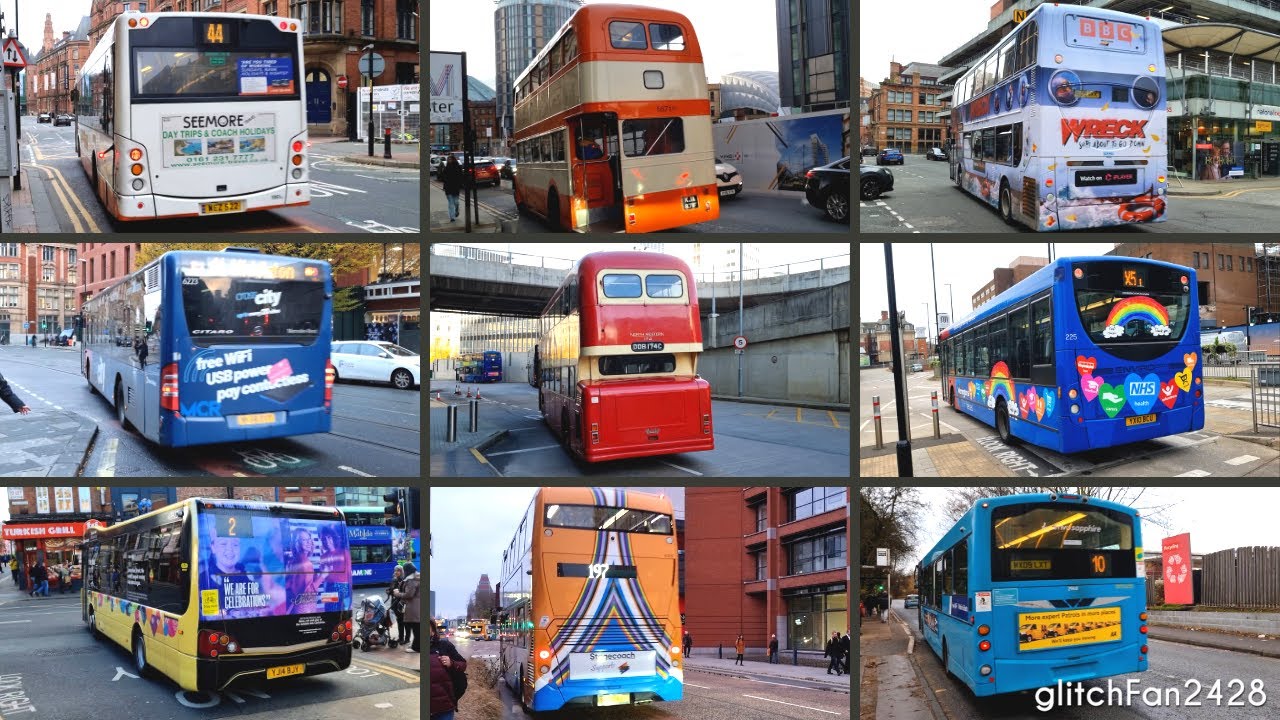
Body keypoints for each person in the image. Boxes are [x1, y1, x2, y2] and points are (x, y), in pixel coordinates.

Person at [430, 618, 468, 720]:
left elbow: (463, 664)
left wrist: (452, 663)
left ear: (433, 631)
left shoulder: (444, 645)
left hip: (444, 708)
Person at [394, 562, 420, 652]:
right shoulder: (416, 577)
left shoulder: (412, 579)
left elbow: (409, 594)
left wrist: (398, 594)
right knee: (416, 627)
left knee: (415, 627)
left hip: (413, 607)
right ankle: (415, 646)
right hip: (416, 606)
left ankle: (416, 647)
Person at [388, 565, 408, 645]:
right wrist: (389, 591)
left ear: (401, 572)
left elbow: (405, 592)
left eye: (398, 571)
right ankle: (401, 637)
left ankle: (403, 638)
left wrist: (398, 593)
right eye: (395, 570)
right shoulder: (394, 580)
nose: (396, 572)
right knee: (399, 621)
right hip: (394, 603)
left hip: (400, 603)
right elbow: (390, 590)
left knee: (402, 621)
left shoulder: (403, 581)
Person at [441, 155, 465, 222]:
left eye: (450, 159)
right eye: (448, 159)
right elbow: (442, 178)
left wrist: (460, 184)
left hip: (455, 187)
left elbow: (461, 177)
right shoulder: (446, 168)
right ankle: (452, 217)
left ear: (453, 160)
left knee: (456, 202)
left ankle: (456, 210)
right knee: (450, 203)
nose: (449, 161)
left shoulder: (458, 167)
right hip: (448, 188)